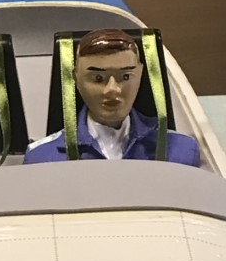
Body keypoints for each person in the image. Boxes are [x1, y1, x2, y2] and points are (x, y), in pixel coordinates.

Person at [24, 28, 200, 166]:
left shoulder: (181, 152)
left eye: (125, 77)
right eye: (98, 78)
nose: (112, 90)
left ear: (140, 74)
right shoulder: (42, 158)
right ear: (75, 78)